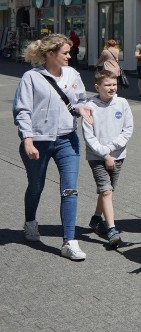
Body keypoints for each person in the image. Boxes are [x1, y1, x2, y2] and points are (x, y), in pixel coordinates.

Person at [13, 33, 94, 261]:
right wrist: (27, 140)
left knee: (70, 189)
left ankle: (69, 241)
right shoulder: (31, 77)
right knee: (36, 186)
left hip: (68, 140)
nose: (70, 56)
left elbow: (79, 99)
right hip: (39, 141)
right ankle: (30, 222)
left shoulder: (72, 74)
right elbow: (23, 110)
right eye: (65, 53)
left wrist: (82, 108)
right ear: (50, 54)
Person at [82, 70, 134, 248]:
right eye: (107, 85)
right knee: (106, 191)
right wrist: (104, 154)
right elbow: (89, 137)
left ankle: (96, 219)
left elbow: (127, 130)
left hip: (118, 155)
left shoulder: (122, 103)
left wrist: (111, 150)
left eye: (114, 84)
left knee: (108, 190)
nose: (112, 88)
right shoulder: (89, 106)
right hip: (96, 157)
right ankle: (112, 230)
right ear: (97, 87)